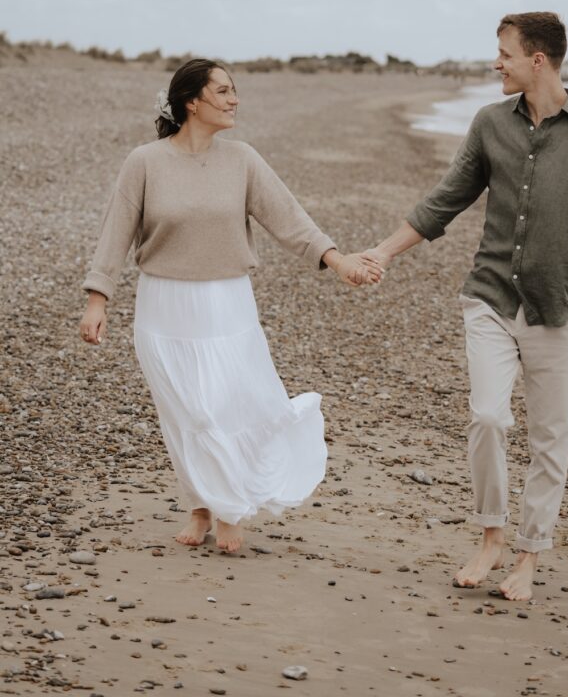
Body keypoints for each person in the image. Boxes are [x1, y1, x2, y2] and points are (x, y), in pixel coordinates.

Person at [363, 12, 568, 600]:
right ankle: (491, 534)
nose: (496, 62)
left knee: (551, 438)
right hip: (490, 297)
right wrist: (384, 252)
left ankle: (527, 555)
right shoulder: (490, 124)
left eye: (505, 53)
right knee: (488, 416)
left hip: (556, 309)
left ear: (536, 60)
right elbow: (445, 201)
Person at [79, 58, 382, 553]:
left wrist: (338, 260)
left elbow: (290, 220)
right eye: (222, 91)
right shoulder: (145, 162)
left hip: (227, 304)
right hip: (164, 305)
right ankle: (201, 505)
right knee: (185, 413)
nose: (233, 99)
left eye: (234, 90)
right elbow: (116, 234)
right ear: (191, 102)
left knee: (227, 405)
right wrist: (98, 299)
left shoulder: (242, 159)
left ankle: (230, 506)